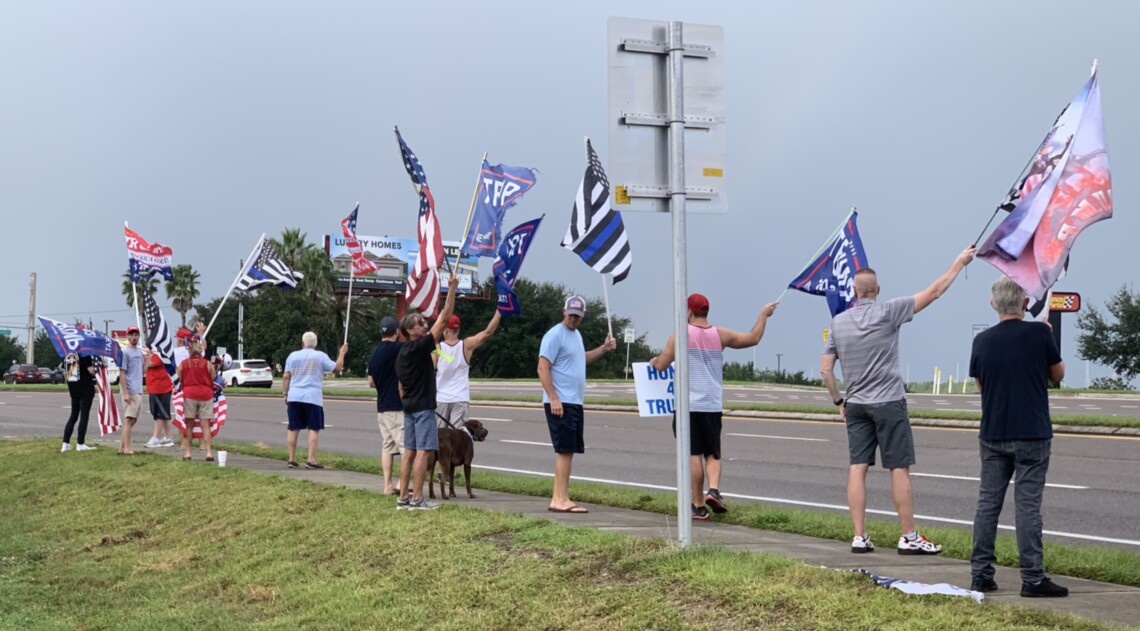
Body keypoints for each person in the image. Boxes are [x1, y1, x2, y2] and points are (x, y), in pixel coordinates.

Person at [821, 245, 975, 555]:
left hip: (857, 404)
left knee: (857, 467)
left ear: (854, 291)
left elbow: (826, 369)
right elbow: (933, 292)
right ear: (876, 290)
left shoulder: (838, 323)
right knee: (898, 467)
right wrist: (958, 263)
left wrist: (840, 402)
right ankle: (908, 535)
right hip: (889, 401)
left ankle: (859, 536)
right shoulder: (889, 311)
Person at [967, 276, 1068, 597]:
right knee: (1027, 506)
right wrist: (1047, 338)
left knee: (988, 504)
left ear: (992, 303)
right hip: (1032, 431)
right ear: (1025, 302)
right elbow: (1058, 374)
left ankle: (981, 574)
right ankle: (1033, 578)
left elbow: (981, 384)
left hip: (993, 430)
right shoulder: (1040, 332)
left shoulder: (981, 341)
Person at [651, 294, 778, 520]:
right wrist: (763, 316)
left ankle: (698, 505)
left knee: (693, 454)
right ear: (706, 312)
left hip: (688, 405)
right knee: (713, 453)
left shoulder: (680, 334)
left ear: (689, 311)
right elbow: (753, 338)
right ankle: (714, 490)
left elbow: (662, 365)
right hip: (712, 404)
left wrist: (654, 361)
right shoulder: (720, 335)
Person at [537, 295, 616, 513]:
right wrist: (554, 397)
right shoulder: (555, 335)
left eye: (578, 316)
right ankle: (559, 499)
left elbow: (581, 359)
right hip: (561, 401)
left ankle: (560, 496)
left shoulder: (576, 335)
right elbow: (542, 367)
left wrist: (603, 349)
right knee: (564, 449)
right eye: (571, 314)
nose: (574, 319)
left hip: (574, 401)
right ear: (564, 312)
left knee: (569, 449)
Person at [395, 274, 460, 510]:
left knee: (408, 452)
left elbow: (400, 385)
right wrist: (451, 289)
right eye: (421, 323)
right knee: (423, 452)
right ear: (411, 330)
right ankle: (417, 499)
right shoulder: (421, 345)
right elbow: (444, 318)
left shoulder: (402, 352)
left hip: (409, 407)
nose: (425, 325)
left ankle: (403, 498)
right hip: (423, 407)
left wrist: (408, 401)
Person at [283, 332, 348, 469]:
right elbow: (336, 368)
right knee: (313, 428)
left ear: (302, 343)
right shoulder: (320, 356)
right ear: (315, 344)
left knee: (293, 427)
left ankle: (291, 458)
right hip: (313, 396)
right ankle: (311, 459)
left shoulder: (292, 356)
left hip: (295, 395)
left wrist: (286, 393)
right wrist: (342, 353)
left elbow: (286, 376)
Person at [435, 310, 501, 429]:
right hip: (460, 398)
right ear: (458, 330)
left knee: (440, 437)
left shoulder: (437, 349)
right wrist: (499, 312)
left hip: (441, 398)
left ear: (445, 330)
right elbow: (488, 332)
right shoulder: (466, 345)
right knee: (458, 437)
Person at [367, 316, 405, 495]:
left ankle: (387, 485)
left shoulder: (374, 354)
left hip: (381, 406)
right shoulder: (399, 348)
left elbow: (370, 382)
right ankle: (401, 484)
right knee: (406, 447)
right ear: (396, 331)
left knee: (388, 447)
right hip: (396, 406)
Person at [177, 337, 217, 461]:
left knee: (189, 425)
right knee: (205, 425)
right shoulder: (207, 363)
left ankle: (188, 452)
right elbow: (213, 378)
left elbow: (180, 378)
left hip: (189, 394)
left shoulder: (184, 364)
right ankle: (209, 452)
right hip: (206, 395)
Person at [117, 325, 148, 455]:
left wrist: (149, 357)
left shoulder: (139, 353)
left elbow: (143, 371)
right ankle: (127, 448)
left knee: (133, 419)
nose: (134, 337)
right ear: (127, 336)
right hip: (130, 390)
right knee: (129, 419)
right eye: (132, 334)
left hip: (138, 389)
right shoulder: (125, 353)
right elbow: (122, 373)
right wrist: (125, 392)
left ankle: (121, 447)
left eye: (136, 335)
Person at [61, 353, 98, 452]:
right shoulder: (85, 354)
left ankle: (65, 443)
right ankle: (80, 443)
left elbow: (68, 372)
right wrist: (98, 370)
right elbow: (91, 370)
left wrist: (70, 388)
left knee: (73, 416)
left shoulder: (68, 354)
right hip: (85, 388)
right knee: (84, 416)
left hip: (74, 388)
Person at [144, 351, 175, 448]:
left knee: (159, 413)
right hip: (156, 386)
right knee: (164, 413)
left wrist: (147, 357)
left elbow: (151, 364)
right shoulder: (154, 352)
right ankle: (168, 437)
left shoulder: (159, 352)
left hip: (160, 387)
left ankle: (156, 438)